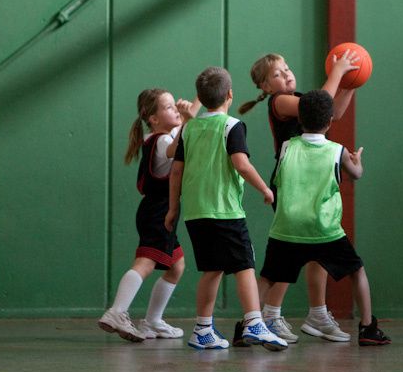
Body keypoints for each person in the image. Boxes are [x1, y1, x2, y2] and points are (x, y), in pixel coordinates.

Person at [238, 51, 357, 344]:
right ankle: (268, 314)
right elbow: (320, 104)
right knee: (288, 256)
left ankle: (316, 313)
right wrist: (338, 72)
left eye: (287, 68)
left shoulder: (300, 98)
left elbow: (334, 112)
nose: (286, 74)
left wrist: (351, 84)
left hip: (313, 180)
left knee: (319, 247)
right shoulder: (280, 103)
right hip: (291, 184)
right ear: (266, 88)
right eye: (277, 74)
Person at [165, 66, 287, 351]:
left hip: (196, 213)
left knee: (213, 269)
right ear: (230, 95)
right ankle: (254, 322)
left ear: (200, 96)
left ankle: (202, 329)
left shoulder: (189, 128)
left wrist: (173, 209)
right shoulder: (232, 126)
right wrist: (265, 189)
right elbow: (241, 164)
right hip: (225, 211)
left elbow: (176, 172)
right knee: (245, 265)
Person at [259, 89, 390, 346]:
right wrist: (357, 160)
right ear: (330, 121)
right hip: (323, 229)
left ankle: (248, 324)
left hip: (288, 226)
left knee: (267, 277)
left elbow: (277, 179)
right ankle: (367, 328)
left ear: (300, 119)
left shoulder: (286, 147)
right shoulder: (337, 151)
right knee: (357, 271)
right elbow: (356, 174)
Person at [98, 89, 198, 342]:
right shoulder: (163, 141)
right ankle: (117, 312)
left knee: (177, 266)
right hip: (158, 212)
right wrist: (187, 119)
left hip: (158, 211)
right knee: (145, 262)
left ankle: (153, 321)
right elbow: (178, 146)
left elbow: (183, 130)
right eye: (168, 107)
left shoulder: (157, 136)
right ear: (153, 118)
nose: (175, 110)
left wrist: (199, 98)